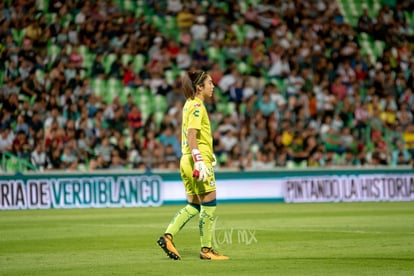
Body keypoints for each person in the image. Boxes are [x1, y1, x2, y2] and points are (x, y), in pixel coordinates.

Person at [157, 70, 229, 261]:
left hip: (186, 160)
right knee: (210, 205)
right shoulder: (197, 105)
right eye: (210, 83)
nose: (213, 86)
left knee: (193, 205)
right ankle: (206, 250)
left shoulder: (188, 104)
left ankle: (168, 236)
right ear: (200, 87)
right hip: (196, 161)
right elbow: (191, 135)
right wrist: (199, 160)